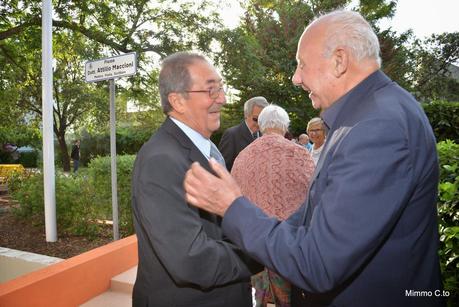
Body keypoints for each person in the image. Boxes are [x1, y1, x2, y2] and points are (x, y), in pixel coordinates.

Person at [183, 10, 443, 307]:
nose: (296, 78)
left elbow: (318, 263)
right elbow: (308, 216)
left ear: (340, 61)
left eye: (302, 65)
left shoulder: (378, 127)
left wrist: (232, 206)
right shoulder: (363, 117)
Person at [131, 52, 259, 307]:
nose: (222, 99)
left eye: (221, 88)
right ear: (177, 100)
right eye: (211, 91)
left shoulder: (207, 150)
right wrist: (263, 250)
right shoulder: (162, 161)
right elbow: (191, 259)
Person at [232, 104, 315, 307]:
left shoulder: (243, 156)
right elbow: (315, 194)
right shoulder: (300, 154)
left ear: (260, 126)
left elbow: (234, 198)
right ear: (285, 126)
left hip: (255, 246)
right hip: (291, 245)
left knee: (261, 301)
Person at [218, 96, 269, 171]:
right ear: (246, 115)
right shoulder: (232, 135)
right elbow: (223, 167)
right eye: (256, 119)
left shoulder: (265, 136)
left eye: (263, 119)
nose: (259, 123)